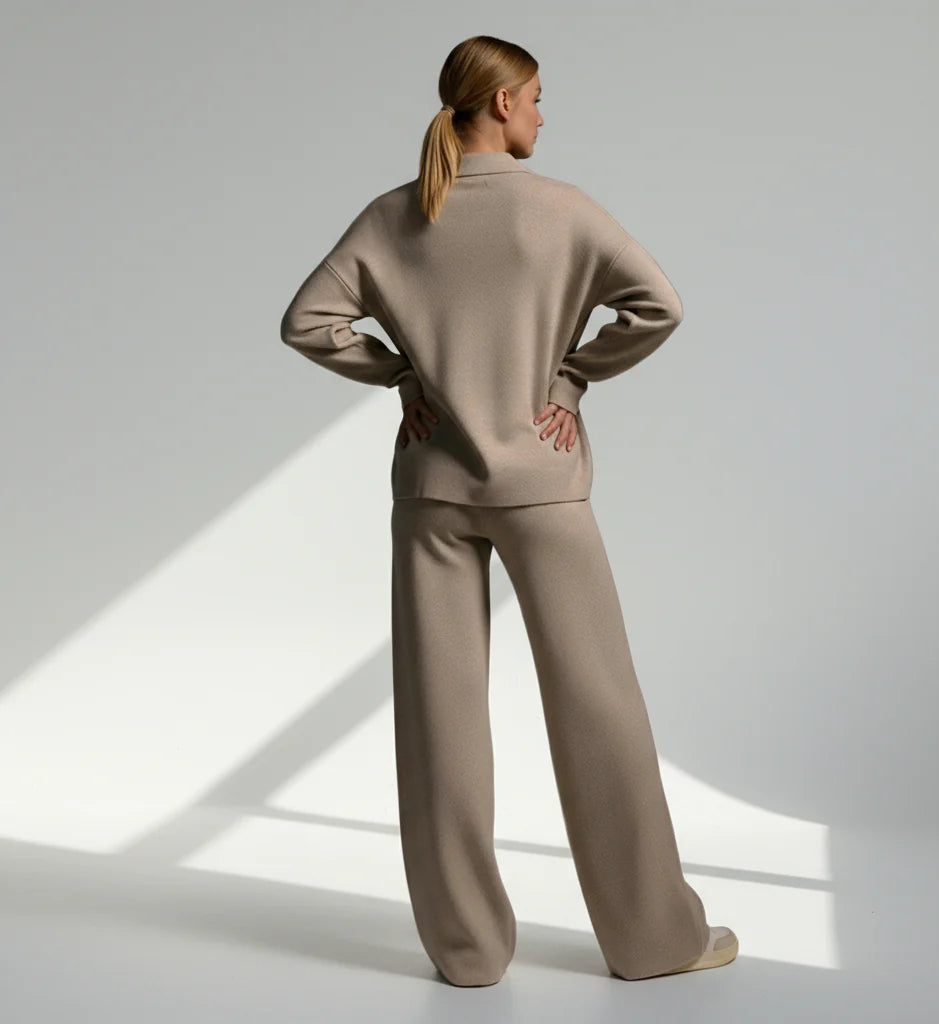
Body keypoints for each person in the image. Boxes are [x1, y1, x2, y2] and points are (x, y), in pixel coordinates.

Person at [279, 34, 738, 987]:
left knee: (439, 723)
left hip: (433, 489)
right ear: (498, 104)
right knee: (600, 708)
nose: (541, 113)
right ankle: (655, 941)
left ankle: (468, 953)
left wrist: (405, 375)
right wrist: (567, 381)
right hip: (542, 484)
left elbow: (308, 323)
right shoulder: (560, 210)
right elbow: (660, 305)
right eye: (534, 97)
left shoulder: (396, 215)